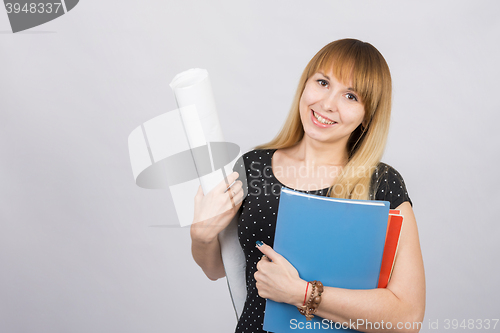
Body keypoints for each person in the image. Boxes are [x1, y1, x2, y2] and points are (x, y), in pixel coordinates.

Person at [190, 38, 425, 333]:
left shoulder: (383, 184)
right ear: (305, 84)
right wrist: (200, 236)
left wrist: (301, 294)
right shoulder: (253, 167)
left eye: (350, 96)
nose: (327, 104)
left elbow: (408, 318)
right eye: (323, 82)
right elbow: (218, 268)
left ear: (367, 117)